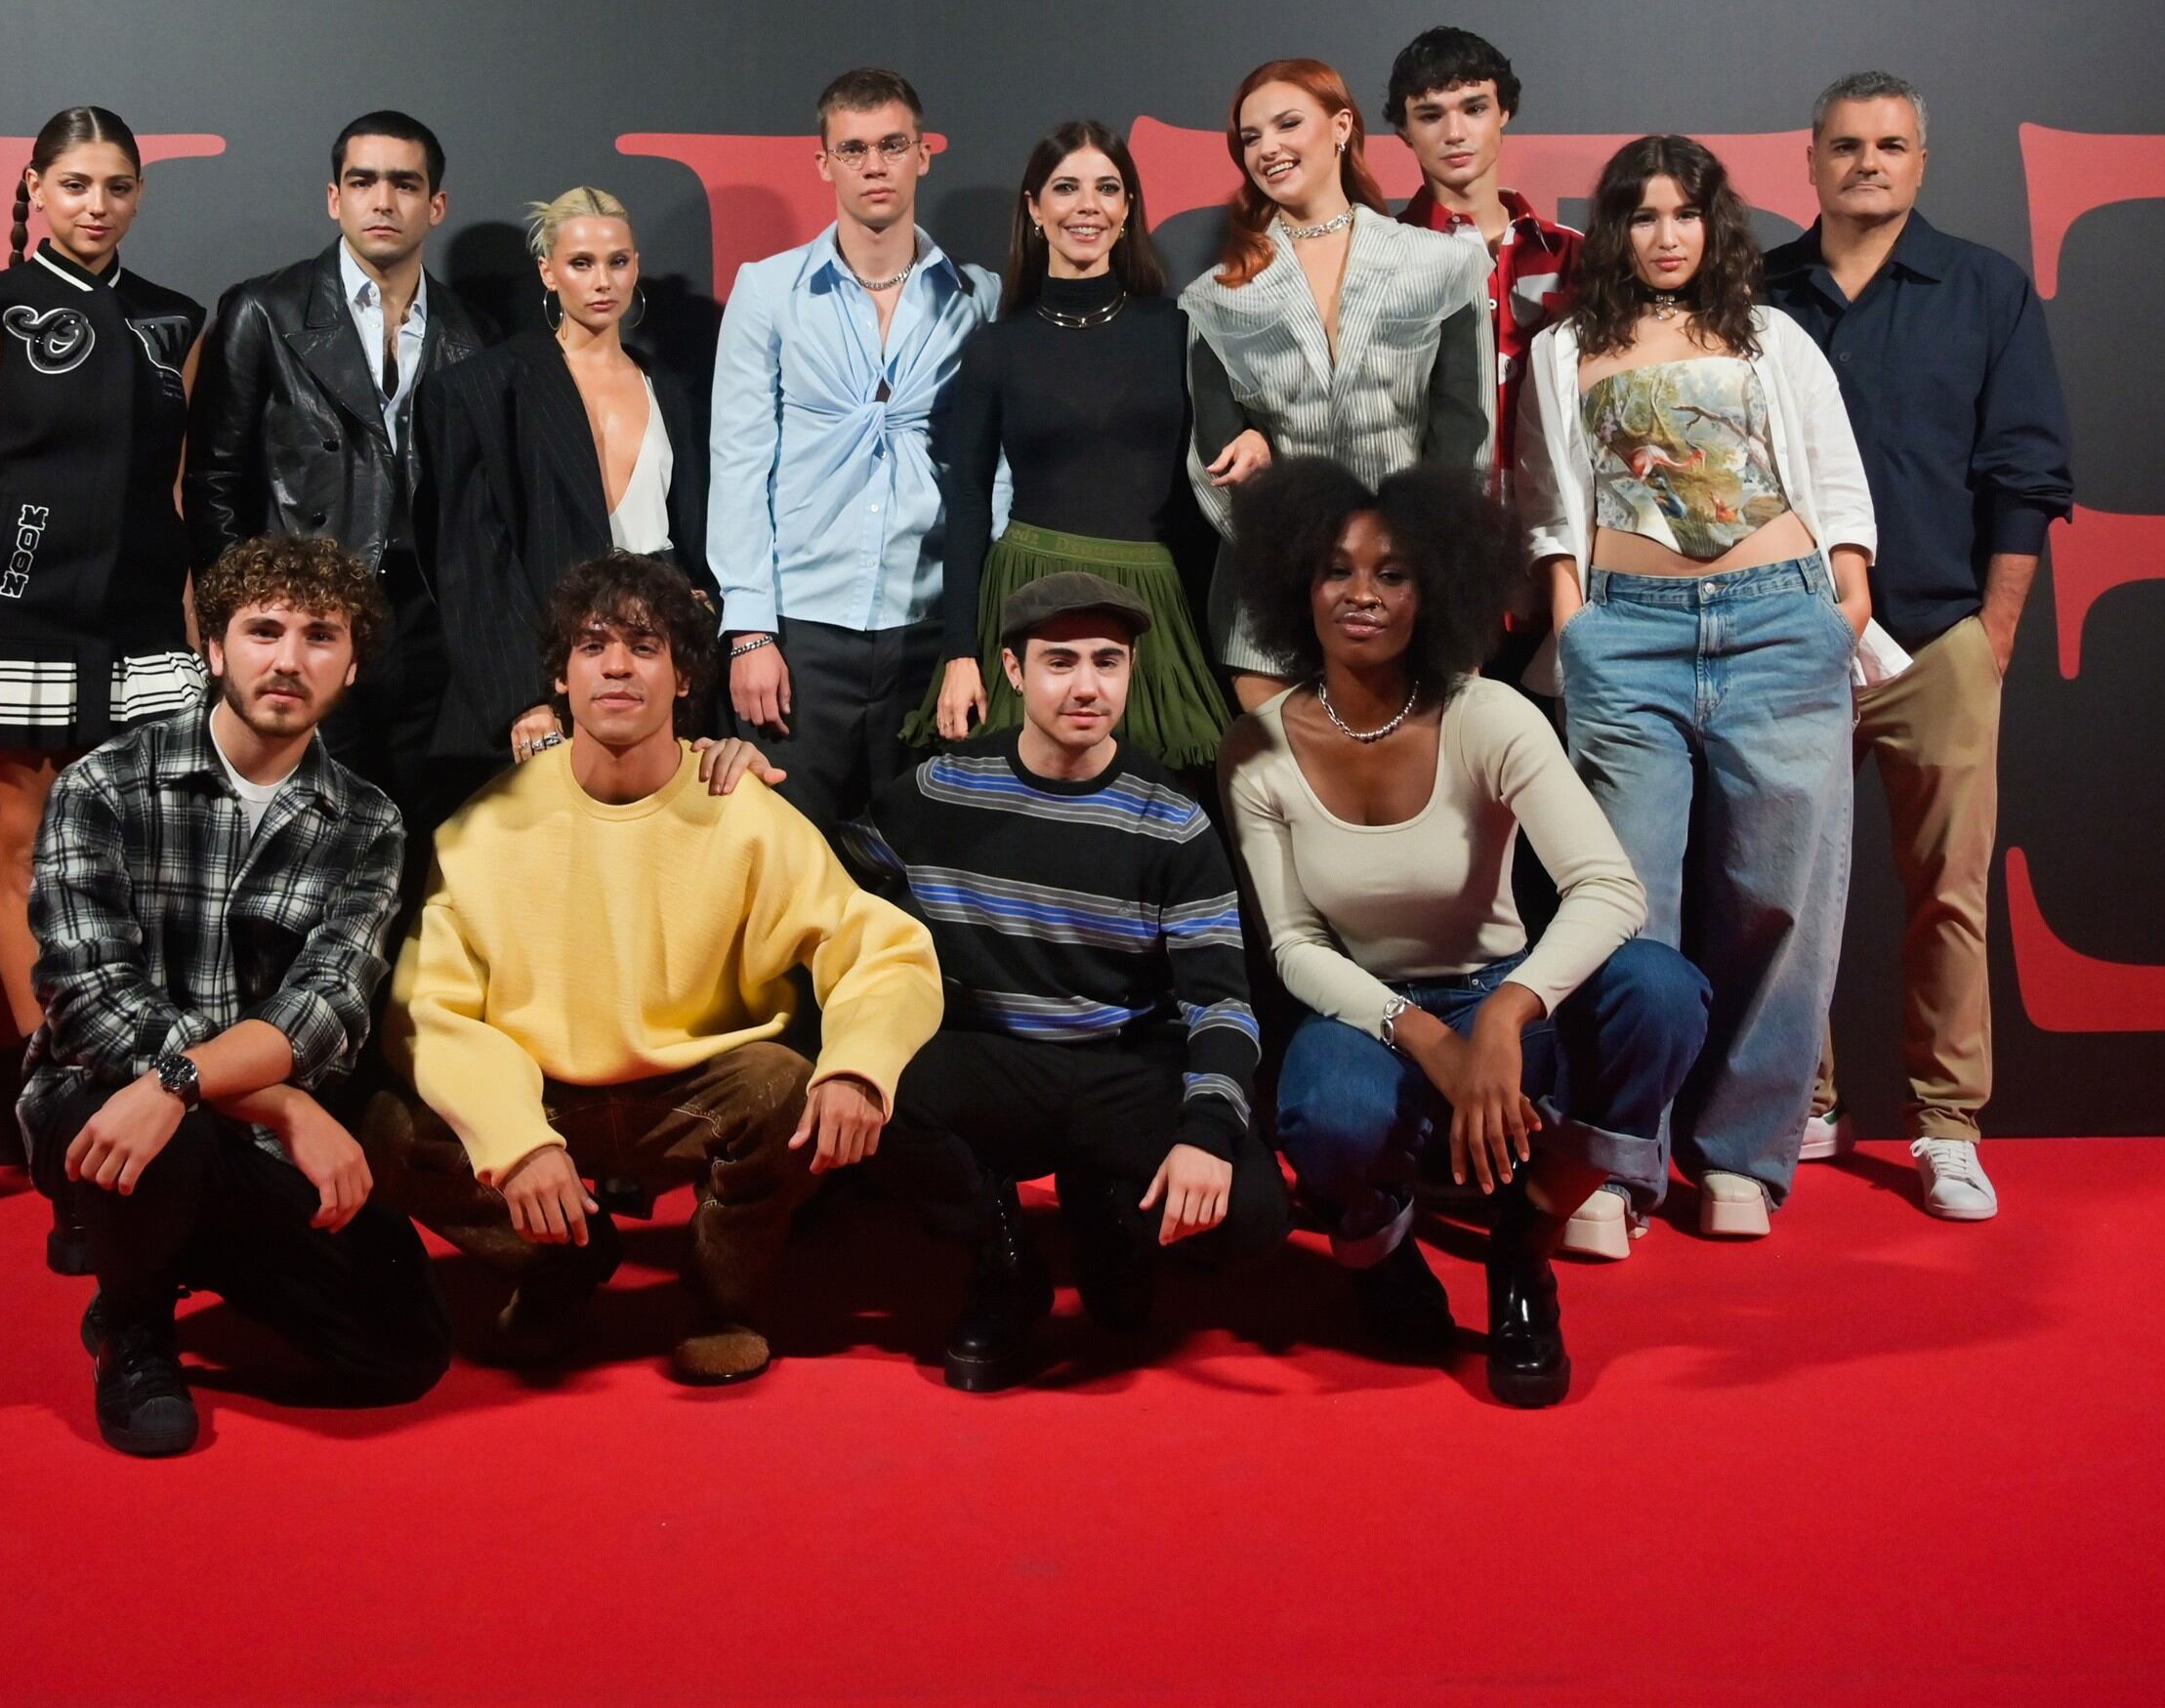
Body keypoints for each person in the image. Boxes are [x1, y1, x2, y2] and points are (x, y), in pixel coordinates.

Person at [362, 552, 945, 1386]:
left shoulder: (743, 812)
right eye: (592, 645)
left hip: (695, 1096)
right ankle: (560, 1262)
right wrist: (515, 1141)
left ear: (683, 678)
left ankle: (721, 1300)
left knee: (786, 1086)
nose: (617, 666)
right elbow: (429, 1013)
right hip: (544, 1093)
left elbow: (880, 950)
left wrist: (859, 1065)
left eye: (644, 647)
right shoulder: (483, 827)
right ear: (560, 676)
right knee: (390, 1128)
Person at [1225, 459, 1707, 1405]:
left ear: (1434, 589)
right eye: (1336, 569)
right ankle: (1378, 1251)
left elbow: (1610, 888)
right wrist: (1429, 1037)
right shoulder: (1258, 745)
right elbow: (1294, 945)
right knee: (1327, 1109)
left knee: (1661, 991)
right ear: (1298, 586)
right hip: (1370, 1014)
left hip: (1502, 990)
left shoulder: (1490, 715)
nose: (1362, 593)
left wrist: (1504, 1015)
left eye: (1393, 573)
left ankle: (1523, 1247)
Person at [1519, 135, 1886, 1245]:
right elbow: (1548, 507)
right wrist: (1575, 627)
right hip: (1626, 638)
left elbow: (1833, 474)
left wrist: (1846, 600)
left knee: (1777, 899)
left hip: (1780, 625)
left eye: (1685, 213)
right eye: (1643, 215)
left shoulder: (1770, 334)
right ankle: (1614, 1161)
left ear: (1713, 223)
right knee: (1624, 903)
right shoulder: (1563, 348)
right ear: (1614, 230)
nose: (1666, 235)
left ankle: (1742, 1156)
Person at [21, 535, 451, 1457]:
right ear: (215, 649)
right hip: (100, 1105)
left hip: (243, 1140)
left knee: (403, 1348)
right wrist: (274, 1101)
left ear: (353, 666)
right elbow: (90, 1002)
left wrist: (207, 1088)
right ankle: (135, 1324)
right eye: (263, 631)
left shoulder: (368, 823)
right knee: (159, 1123)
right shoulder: (103, 785)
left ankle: (178, 1250)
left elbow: (327, 1008)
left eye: (320, 637)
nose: (289, 659)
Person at [1765, 74, 2073, 1221]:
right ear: (1810, 158)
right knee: (1783, 893)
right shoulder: (1753, 293)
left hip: (1940, 635)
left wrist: (1992, 635)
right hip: (1789, 641)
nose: (1868, 163)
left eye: (1890, 145)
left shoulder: (1986, 288)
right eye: (1846, 144)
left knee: (1948, 891)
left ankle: (1947, 1126)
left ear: (1921, 162)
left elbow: (2027, 472)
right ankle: (1799, 1100)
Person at [856, 571, 1285, 1394]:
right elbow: (829, 879)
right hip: (994, 1060)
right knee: (870, 1083)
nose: (1087, 686)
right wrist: (731, 781)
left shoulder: (1173, 820)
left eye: (1106, 661)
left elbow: (1221, 1004)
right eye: (1060, 662)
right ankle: (1002, 1260)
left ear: (1130, 671)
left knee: (1255, 1214)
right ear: (1013, 672)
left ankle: (1112, 1214)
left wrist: (1205, 1132)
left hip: (1122, 1064)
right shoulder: (942, 790)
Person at [0, 106, 206, 1042]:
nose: (95, 205)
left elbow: (177, 494)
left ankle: (140, 1076)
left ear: (140, 195)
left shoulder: (176, 320)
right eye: (74, 185)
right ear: (34, 188)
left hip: (144, 631)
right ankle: (56, 1083)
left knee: (143, 870)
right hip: (9, 618)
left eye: (116, 187)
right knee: (26, 863)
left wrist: (196, 638)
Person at [710, 67, 1002, 835]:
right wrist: (750, 632)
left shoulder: (978, 298)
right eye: (854, 149)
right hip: (800, 629)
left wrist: (976, 632)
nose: (875, 166)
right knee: (786, 855)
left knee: (925, 858)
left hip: (930, 627)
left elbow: (994, 474)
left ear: (924, 155)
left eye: (892, 145)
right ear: (824, 163)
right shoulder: (767, 291)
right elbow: (739, 463)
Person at [186, 109, 483, 828]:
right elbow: (214, 480)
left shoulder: (472, 332)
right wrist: (243, 621)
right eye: (362, 181)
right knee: (303, 827)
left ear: (436, 205)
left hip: (430, 627)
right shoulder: (264, 310)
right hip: (305, 615)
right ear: (334, 198)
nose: (383, 201)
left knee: (423, 834)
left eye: (404, 184)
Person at [1182, 58, 1494, 707]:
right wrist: (1305, 560)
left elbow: (1466, 431)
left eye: (1287, 124)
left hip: (1416, 589)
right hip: (1272, 609)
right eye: (1251, 137)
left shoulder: (1442, 264)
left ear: (1342, 126)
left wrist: (1400, 560)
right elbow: (1214, 456)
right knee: (1286, 774)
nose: (1268, 148)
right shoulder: (1215, 297)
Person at [920, 120, 1230, 773]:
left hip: (1154, 608)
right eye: (1066, 188)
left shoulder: (1179, 329)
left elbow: (1210, 480)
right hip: (1027, 598)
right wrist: (960, 654)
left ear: (1127, 209)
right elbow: (968, 502)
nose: (1087, 205)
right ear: (1034, 209)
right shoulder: (996, 347)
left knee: (1160, 799)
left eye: (1107, 188)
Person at [418, 184, 711, 800]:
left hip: (658, 685)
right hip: (542, 683)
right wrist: (524, 697)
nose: (602, 281)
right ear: (548, 272)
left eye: (617, 261)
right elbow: (473, 561)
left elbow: (691, 536)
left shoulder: (673, 391)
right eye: (581, 263)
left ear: (636, 267)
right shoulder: (484, 389)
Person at [1382, 26, 1584, 521]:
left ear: (1504, 112)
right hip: (1428, 527)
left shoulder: (1574, 255)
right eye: (1430, 115)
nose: (1455, 133)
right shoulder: (1378, 259)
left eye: (1474, 108)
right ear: (1404, 131)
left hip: (1559, 528)